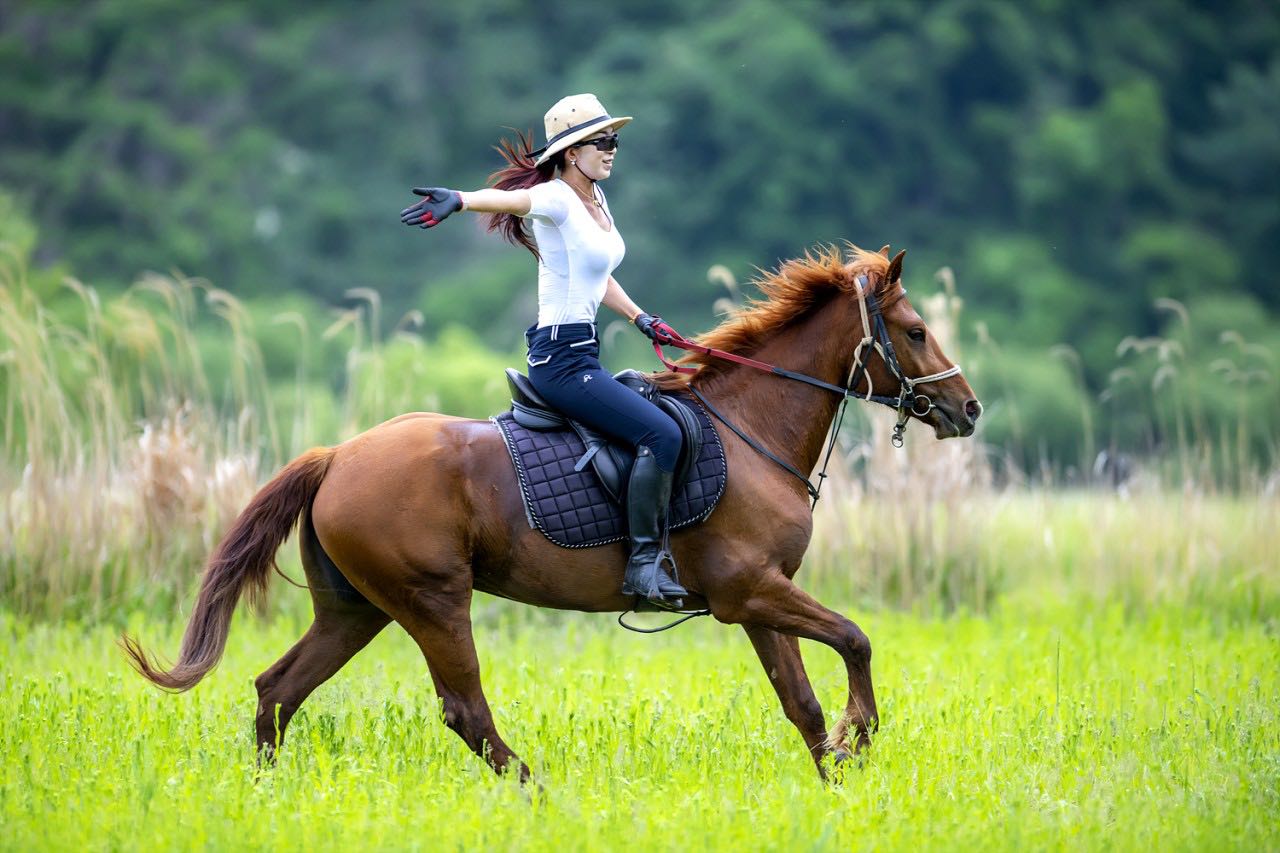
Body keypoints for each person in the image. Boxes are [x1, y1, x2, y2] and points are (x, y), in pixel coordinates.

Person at [400, 93, 688, 611]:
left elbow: (598, 274)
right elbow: (514, 202)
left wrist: (642, 318)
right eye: (603, 141)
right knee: (662, 434)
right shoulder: (556, 197)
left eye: (615, 139)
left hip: (585, 353)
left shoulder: (598, 200)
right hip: (561, 361)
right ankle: (644, 565)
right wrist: (460, 200)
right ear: (572, 152)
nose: (613, 149)